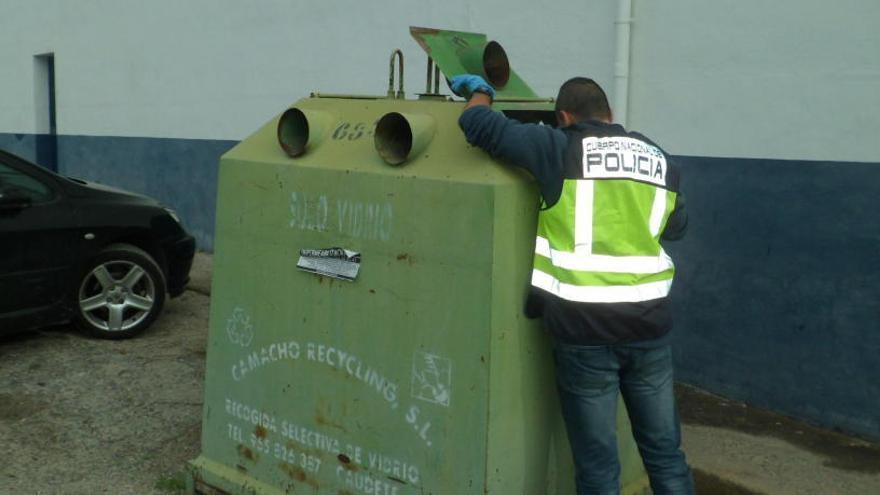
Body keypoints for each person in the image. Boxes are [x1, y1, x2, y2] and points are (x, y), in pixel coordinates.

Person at [450, 74, 694, 495]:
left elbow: (478, 124)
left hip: (585, 334)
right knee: (666, 456)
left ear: (563, 117)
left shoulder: (559, 148)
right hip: (649, 330)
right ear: (610, 115)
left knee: (599, 468)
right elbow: (677, 227)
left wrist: (481, 92)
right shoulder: (659, 159)